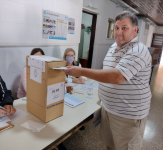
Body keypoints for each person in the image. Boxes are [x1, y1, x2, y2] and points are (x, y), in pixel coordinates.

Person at [64, 11, 152, 150]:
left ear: (135, 30)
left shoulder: (138, 50)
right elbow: (106, 70)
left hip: (127, 114)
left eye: (124, 28)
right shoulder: (113, 46)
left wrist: (81, 71)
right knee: (109, 144)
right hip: (109, 109)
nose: (118, 32)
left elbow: (117, 77)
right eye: (116, 28)